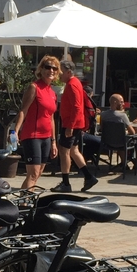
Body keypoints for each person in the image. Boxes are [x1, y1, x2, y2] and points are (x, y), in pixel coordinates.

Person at [51, 60, 98, 193]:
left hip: (72, 123)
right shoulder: (74, 83)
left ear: (69, 72)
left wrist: (70, 126)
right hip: (76, 123)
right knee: (73, 150)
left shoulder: (72, 85)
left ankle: (66, 183)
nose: (59, 74)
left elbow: (77, 107)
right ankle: (89, 177)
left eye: (61, 71)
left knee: (64, 150)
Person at [13, 55, 59, 189]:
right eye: (48, 67)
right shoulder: (34, 87)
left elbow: (50, 117)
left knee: (38, 173)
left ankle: (26, 201)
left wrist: (53, 141)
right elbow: (23, 110)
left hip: (46, 137)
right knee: (32, 174)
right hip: (32, 136)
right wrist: (15, 131)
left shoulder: (51, 92)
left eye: (54, 68)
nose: (51, 70)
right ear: (41, 69)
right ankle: (23, 204)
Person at [100, 94, 137, 170]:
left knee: (120, 137)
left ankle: (124, 163)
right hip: (122, 143)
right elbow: (132, 132)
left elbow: (102, 129)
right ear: (115, 102)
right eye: (122, 102)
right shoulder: (122, 115)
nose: (123, 104)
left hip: (107, 142)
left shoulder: (103, 115)